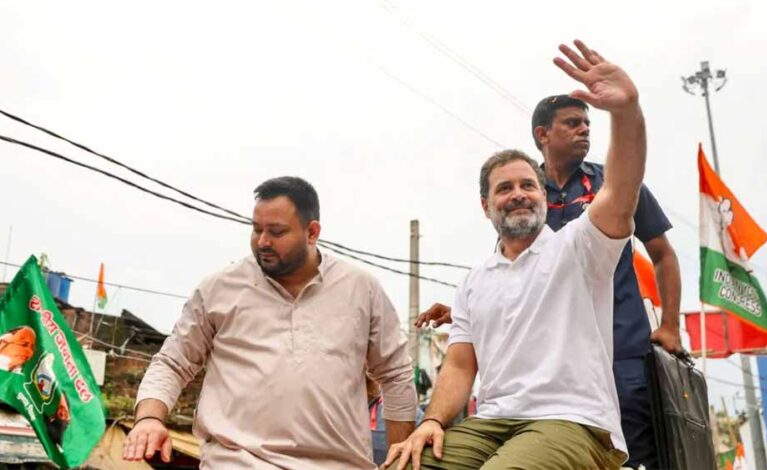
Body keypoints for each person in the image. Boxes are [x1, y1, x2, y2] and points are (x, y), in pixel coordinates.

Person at [385, 39, 644, 470]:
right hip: (491, 424)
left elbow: (621, 189)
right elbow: (460, 366)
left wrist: (626, 112)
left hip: (573, 423)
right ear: (485, 206)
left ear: (543, 197)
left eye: (528, 185)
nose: (518, 194)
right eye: (504, 188)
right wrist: (431, 420)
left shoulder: (580, 247)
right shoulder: (474, 282)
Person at [123, 176, 417, 469]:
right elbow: (172, 362)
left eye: (276, 232)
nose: (263, 241)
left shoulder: (361, 289)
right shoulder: (219, 289)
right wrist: (149, 418)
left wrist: (399, 459)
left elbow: (396, 374)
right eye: (256, 229)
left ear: (312, 232)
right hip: (237, 461)